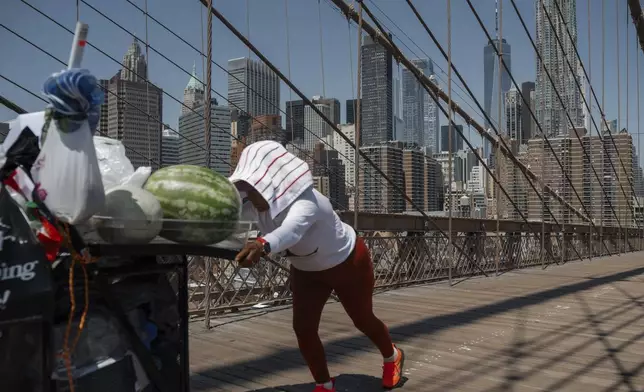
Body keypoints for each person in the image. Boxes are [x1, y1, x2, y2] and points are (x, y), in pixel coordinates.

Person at [230, 140, 405, 392]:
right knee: (303, 328)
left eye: (249, 186)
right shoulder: (255, 206)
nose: (245, 192)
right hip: (306, 271)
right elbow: (228, 215)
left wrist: (262, 244)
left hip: (348, 263)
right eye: (243, 186)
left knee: (363, 320)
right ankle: (324, 384)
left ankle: (392, 356)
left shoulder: (309, 202)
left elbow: (291, 231)